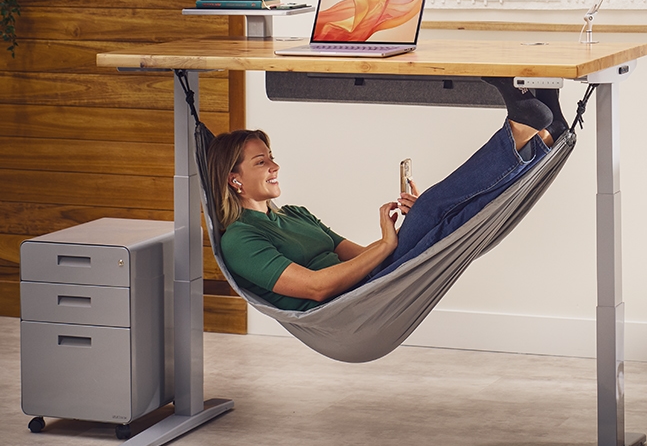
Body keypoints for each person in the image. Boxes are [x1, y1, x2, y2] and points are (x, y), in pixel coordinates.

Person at [207, 79, 569, 312]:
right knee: (436, 211)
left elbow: (364, 256)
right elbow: (316, 288)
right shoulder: (241, 239)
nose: (275, 166)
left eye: (271, 157)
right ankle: (528, 128)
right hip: (347, 305)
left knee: (448, 219)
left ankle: (545, 132)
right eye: (261, 162)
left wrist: (393, 237)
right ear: (234, 179)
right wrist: (385, 245)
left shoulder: (294, 214)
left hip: (374, 277)